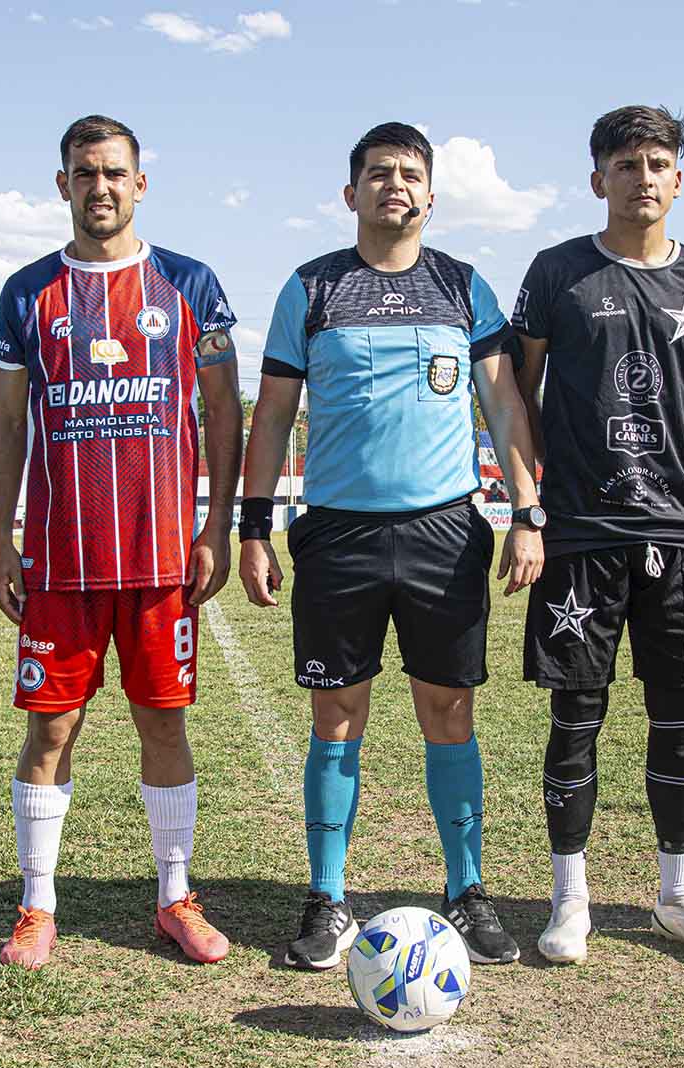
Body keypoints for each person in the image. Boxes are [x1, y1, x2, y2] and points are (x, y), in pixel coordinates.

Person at [238, 122, 544, 970]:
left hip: (445, 532)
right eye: (378, 174)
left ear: (431, 196)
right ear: (352, 194)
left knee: (449, 712)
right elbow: (271, 416)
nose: (394, 186)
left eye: (411, 174)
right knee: (336, 716)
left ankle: (468, 887)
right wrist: (253, 525)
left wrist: (528, 511)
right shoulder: (312, 288)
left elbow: (506, 406)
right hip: (337, 533)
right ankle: (328, 895)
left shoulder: (465, 288)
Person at [0, 116, 243, 969]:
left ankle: (175, 896)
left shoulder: (190, 284)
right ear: (63, 184)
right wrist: (0, 539)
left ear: (141, 183)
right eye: (84, 173)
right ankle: (36, 906)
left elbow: (222, 411)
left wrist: (215, 524)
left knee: (163, 727)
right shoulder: (27, 293)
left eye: (116, 173)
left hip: (164, 557)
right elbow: (7, 420)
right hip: (61, 561)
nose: (101, 187)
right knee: (50, 730)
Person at [510, 106, 684, 964]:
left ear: (677, 179)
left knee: (680, 717)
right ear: (597, 178)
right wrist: (535, 501)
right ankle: (569, 899)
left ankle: (678, 895)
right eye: (625, 163)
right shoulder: (557, 273)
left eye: (657, 163)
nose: (642, 177)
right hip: (581, 533)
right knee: (576, 716)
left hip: (681, 534)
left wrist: (674, 468)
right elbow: (518, 394)